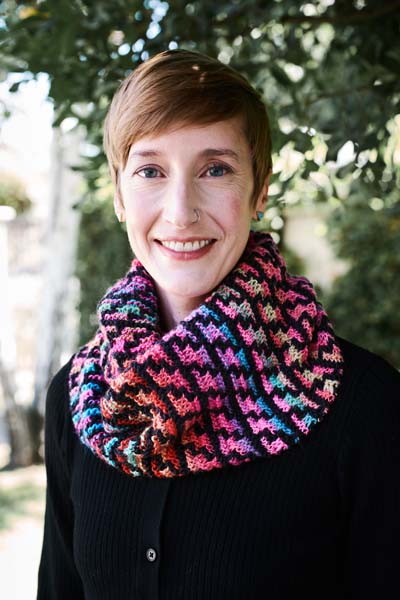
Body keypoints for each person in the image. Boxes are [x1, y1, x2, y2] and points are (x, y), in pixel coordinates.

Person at [37, 50, 400, 600]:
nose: (181, 211)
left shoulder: (366, 406)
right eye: (151, 171)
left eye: (215, 169)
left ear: (259, 191)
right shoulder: (76, 398)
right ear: (118, 193)